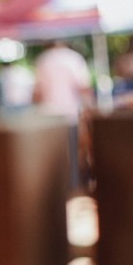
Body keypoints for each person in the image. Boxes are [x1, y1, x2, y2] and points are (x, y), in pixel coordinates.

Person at [33, 40, 93, 190]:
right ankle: (73, 187)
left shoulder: (43, 60)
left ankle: (56, 190)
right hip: (70, 114)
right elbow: (83, 88)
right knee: (73, 154)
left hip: (48, 117)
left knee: (52, 158)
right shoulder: (75, 59)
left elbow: (38, 93)